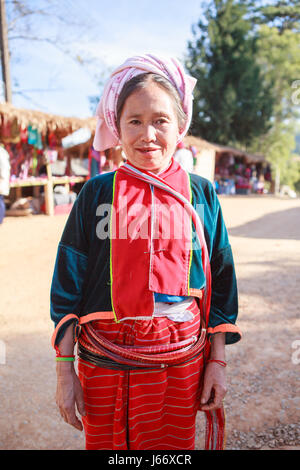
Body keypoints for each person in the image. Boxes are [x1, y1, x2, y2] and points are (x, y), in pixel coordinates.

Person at [50, 54, 241, 451]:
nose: (147, 134)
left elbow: (221, 282)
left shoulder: (202, 194)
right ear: (117, 129)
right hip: (105, 361)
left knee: (170, 451)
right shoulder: (98, 194)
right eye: (134, 121)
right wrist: (65, 372)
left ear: (180, 125)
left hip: (182, 362)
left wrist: (217, 362)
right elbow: (67, 285)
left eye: (160, 120)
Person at [0, 145, 10, 224]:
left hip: (1, 179)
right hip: (3, 179)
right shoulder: (3, 152)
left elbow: (3, 169)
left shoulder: (1, 153)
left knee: (0, 200)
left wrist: (2, 178)